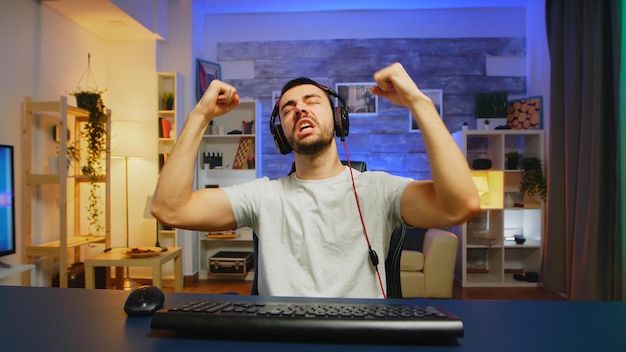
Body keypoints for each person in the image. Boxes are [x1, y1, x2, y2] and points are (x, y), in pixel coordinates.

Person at [151, 62, 480, 298]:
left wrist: (418, 102)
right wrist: (200, 115)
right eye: (288, 108)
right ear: (281, 134)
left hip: (361, 339)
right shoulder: (262, 195)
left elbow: (460, 205)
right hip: (280, 340)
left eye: (312, 101)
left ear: (338, 119)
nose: (300, 110)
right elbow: (170, 209)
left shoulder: (380, 189)